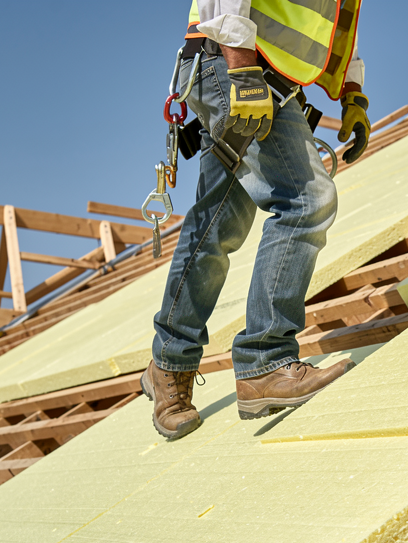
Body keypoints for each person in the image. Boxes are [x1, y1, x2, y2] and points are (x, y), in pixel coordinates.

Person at [140, 0, 371, 439]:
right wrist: (242, 70)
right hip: (234, 64)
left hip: (255, 73)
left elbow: (333, 27)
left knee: (218, 224)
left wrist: (353, 93)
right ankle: (264, 361)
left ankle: (167, 362)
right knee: (307, 200)